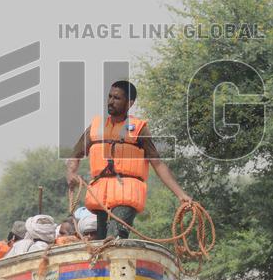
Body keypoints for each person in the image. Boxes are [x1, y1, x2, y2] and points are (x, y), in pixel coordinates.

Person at [66, 80, 192, 239]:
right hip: (100, 194)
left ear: (130, 103)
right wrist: (71, 173)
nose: (111, 101)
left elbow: (158, 164)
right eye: (110, 97)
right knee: (100, 240)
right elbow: (75, 156)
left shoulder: (140, 129)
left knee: (114, 237)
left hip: (127, 192)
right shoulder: (96, 127)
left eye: (117, 98)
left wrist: (181, 195)